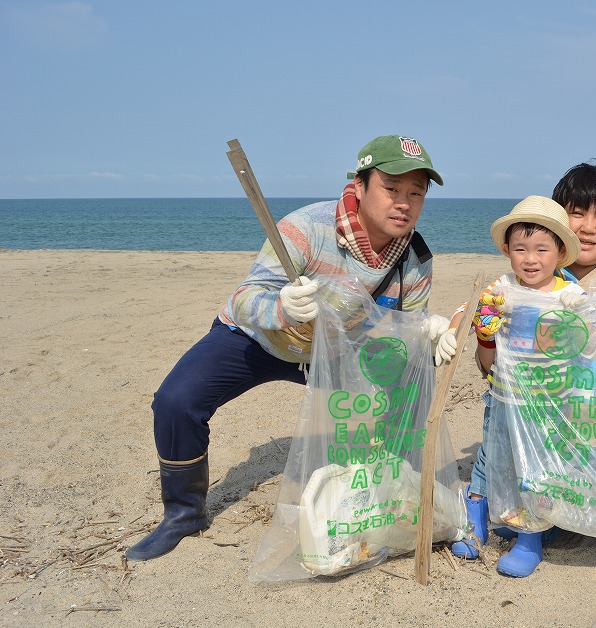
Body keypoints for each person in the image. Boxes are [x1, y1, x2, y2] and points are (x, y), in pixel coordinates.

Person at [126, 135, 457, 562]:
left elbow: (403, 332)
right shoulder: (306, 228)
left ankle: (390, 492)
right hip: (259, 339)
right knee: (176, 400)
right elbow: (246, 298)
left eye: (416, 193)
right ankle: (183, 514)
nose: (404, 204)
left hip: (336, 350)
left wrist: (428, 333)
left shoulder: (415, 258)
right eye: (391, 189)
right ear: (359, 186)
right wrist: (280, 306)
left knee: (412, 382)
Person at [444, 159, 596, 576]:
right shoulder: (531, 277)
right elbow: (490, 367)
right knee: (514, 453)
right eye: (577, 212)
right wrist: (483, 335)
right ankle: (515, 511)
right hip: (541, 423)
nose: (588, 227)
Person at [447, 195, 586, 577]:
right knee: (490, 457)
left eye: (542, 249)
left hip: (549, 402)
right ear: (507, 250)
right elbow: (472, 310)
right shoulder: (502, 288)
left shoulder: (569, 295)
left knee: (538, 466)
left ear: (560, 253)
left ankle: (529, 538)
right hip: (503, 395)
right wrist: (479, 327)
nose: (530, 259)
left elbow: (591, 335)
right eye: (520, 249)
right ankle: (475, 520)